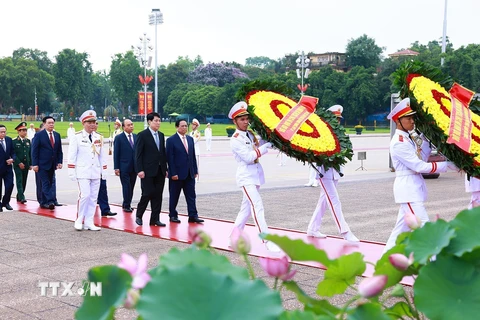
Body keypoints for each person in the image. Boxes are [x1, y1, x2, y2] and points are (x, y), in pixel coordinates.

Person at [384, 97, 456, 252]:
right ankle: (436, 263)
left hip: (411, 189)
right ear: (398, 121)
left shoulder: (407, 139)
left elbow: (420, 157)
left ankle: (384, 257)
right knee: (425, 227)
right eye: (408, 119)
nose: (412, 121)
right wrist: (449, 166)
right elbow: (419, 166)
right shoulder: (398, 142)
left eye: (412, 118)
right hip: (408, 190)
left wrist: (426, 140)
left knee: (399, 231)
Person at [228, 101, 279, 252]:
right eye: (242, 119)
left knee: (246, 210)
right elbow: (249, 157)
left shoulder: (249, 134)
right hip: (245, 176)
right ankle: (266, 240)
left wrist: (270, 138)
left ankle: (233, 237)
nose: (245, 122)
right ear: (235, 121)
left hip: (255, 175)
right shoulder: (235, 139)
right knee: (257, 205)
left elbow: (258, 145)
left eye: (246, 118)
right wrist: (265, 147)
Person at [306, 105, 359, 242]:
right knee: (334, 201)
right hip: (324, 172)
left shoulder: (339, 134)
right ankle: (345, 232)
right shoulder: (321, 134)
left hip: (335, 172)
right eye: (335, 119)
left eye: (339, 119)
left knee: (323, 201)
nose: (338, 122)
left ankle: (313, 228)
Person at [68, 110, 107, 231]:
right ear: (83, 123)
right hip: (83, 171)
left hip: (95, 171)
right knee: (85, 195)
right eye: (89, 122)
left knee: (94, 197)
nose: (92, 125)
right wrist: (71, 171)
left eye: (94, 122)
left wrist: (103, 171)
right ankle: (79, 219)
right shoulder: (77, 137)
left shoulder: (99, 137)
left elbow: (102, 156)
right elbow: (72, 155)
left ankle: (89, 221)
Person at [166, 119, 204, 224]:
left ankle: (193, 215)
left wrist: (195, 170)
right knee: (174, 196)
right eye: (182, 126)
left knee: (191, 195)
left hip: (189, 173)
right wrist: (172, 173)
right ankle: (173, 215)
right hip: (177, 174)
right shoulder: (171, 140)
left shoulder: (190, 139)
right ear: (177, 127)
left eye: (186, 126)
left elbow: (192, 156)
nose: (185, 128)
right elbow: (170, 158)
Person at [134, 112, 168, 227]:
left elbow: (162, 153)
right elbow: (138, 154)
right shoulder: (142, 135)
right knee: (147, 193)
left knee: (158, 195)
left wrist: (165, 168)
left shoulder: (161, 135)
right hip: (147, 171)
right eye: (156, 121)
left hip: (160, 170)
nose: (158, 123)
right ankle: (139, 215)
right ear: (149, 121)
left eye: (159, 120)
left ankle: (155, 219)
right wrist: (140, 170)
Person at [31, 116, 63, 210]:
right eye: (49, 123)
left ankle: (45, 202)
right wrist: (35, 164)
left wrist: (59, 161)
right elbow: (34, 151)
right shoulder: (39, 135)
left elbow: (59, 150)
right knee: (45, 183)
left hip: (52, 164)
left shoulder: (57, 135)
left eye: (52, 123)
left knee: (49, 183)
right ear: (44, 124)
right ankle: (49, 201)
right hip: (41, 164)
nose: (51, 125)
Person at [93, 121, 116, 217]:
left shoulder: (99, 137)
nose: (94, 125)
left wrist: (104, 169)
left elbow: (102, 156)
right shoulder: (80, 137)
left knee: (103, 189)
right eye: (91, 123)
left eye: (96, 123)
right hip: (88, 169)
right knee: (88, 193)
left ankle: (105, 209)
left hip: (98, 168)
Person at [114, 119, 137, 212]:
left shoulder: (136, 137)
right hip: (124, 167)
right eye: (128, 125)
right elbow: (116, 154)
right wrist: (116, 167)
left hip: (134, 167)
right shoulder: (119, 138)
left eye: (132, 124)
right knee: (126, 186)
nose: (131, 126)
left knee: (131, 186)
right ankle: (127, 205)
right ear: (124, 127)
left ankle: (127, 203)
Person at [13, 122, 31, 204]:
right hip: (18, 164)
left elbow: (29, 153)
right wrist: (18, 163)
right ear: (18, 131)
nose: (24, 132)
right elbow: (13, 154)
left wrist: (30, 163)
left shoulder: (28, 141)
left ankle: (19, 195)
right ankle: (22, 196)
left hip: (26, 164)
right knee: (19, 180)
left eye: (25, 130)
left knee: (24, 181)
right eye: (22, 130)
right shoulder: (14, 141)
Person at [0, 125, 15, 212]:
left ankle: (6, 202)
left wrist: (12, 159)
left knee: (10, 185)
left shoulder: (9, 140)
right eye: (1, 132)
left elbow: (13, 152)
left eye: (4, 132)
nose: (3, 134)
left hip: (8, 168)